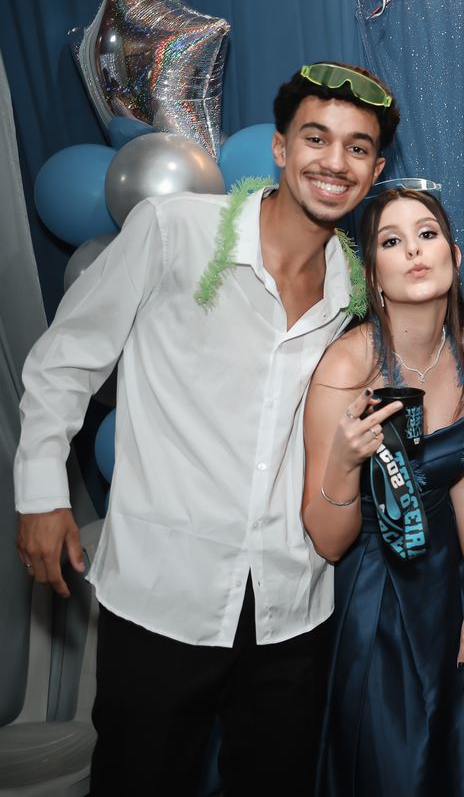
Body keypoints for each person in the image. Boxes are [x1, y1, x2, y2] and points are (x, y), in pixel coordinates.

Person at [13, 63, 397, 793]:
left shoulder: (354, 288)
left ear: (375, 171)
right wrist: (40, 495)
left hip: (291, 605)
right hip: (164, 592)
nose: (334, 162)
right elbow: (64, 361)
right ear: (281, 147)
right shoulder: (174, 230)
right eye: (316, 138)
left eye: (357, 148)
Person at [303, 187, 464, 795]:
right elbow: (327, 540)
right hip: (376, 590)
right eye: (392, 241)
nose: (415, 251)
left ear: (454, 254)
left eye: (427, 234)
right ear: (372, 273)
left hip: (451, 581)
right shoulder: (346, 368)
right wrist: (343, 463)